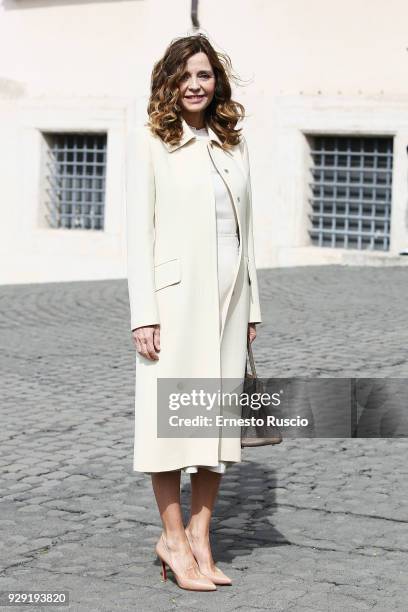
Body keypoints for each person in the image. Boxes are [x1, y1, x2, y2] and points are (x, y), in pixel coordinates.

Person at [125, 33, 262, 591]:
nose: (195, 85)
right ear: (169, 83)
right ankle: (173, 541)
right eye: (185, 76)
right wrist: (144, 314)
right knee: (170, 427)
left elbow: (249, 233)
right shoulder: (153, 141)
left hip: (230, 303)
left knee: (214, 428)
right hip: (176, 302)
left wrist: (253, 303)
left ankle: (203, 540)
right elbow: (139, 236)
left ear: (216, 81)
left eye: (203, 75)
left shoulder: (234, 143)